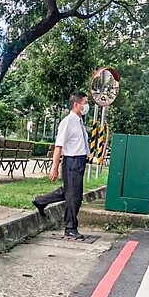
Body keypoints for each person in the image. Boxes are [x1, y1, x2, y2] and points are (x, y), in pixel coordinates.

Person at [32, 91, 90, 239]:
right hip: (72, 161)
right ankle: (70, 227)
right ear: (76, 105)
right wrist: (55, 168)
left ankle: (40, 201)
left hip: (80, 161)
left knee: (68, 191)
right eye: (85, 103)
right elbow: (59, 147)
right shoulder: (68, 122)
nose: (87, 106)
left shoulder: (79, 121)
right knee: (74, 197)